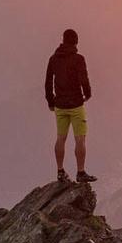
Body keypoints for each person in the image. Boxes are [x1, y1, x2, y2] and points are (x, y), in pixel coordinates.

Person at [44, 28, 95, 185]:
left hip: (60, 105)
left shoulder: (53, 59)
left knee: (61, 138)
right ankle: (80, 172)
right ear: (76, 42)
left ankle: (60, 171)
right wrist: (88, 94)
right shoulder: (78, 59)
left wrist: (51, 102)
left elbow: (47, 82)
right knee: (80, 138)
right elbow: (83, 79)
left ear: (63, 40)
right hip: (76, 104)